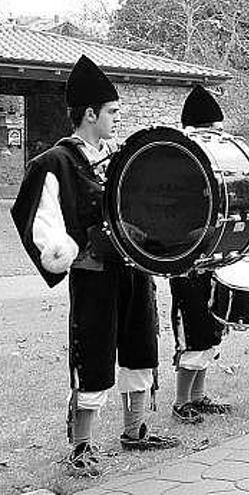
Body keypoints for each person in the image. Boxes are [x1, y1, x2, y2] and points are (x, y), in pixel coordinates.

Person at [10, 55, 179, 476]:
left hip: (134, 271)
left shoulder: (123, 158)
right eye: (113, 113)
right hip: (94, 276)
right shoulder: (55, 162)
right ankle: (82, 445)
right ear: (90, 114)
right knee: (95, 355)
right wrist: (68, 249)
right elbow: (40, 220)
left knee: (141, 346)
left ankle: (135, 428)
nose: (117, 119)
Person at [168, 85, 235, 423]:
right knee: (191, 328)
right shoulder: (178, 166)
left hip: (209, 259)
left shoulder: (210, 164)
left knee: (209, 327)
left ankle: (199, 395)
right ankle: (182, 401)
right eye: (215, 131)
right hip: (185, 261)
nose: (219, 138)